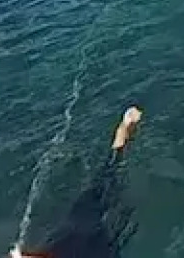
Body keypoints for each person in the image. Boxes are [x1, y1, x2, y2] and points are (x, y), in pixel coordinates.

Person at [15, 107, 142, 258]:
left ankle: (124, 132)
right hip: (76, 229)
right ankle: (124, 132)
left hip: (79, 234)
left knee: (108, 184)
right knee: (108, 178)